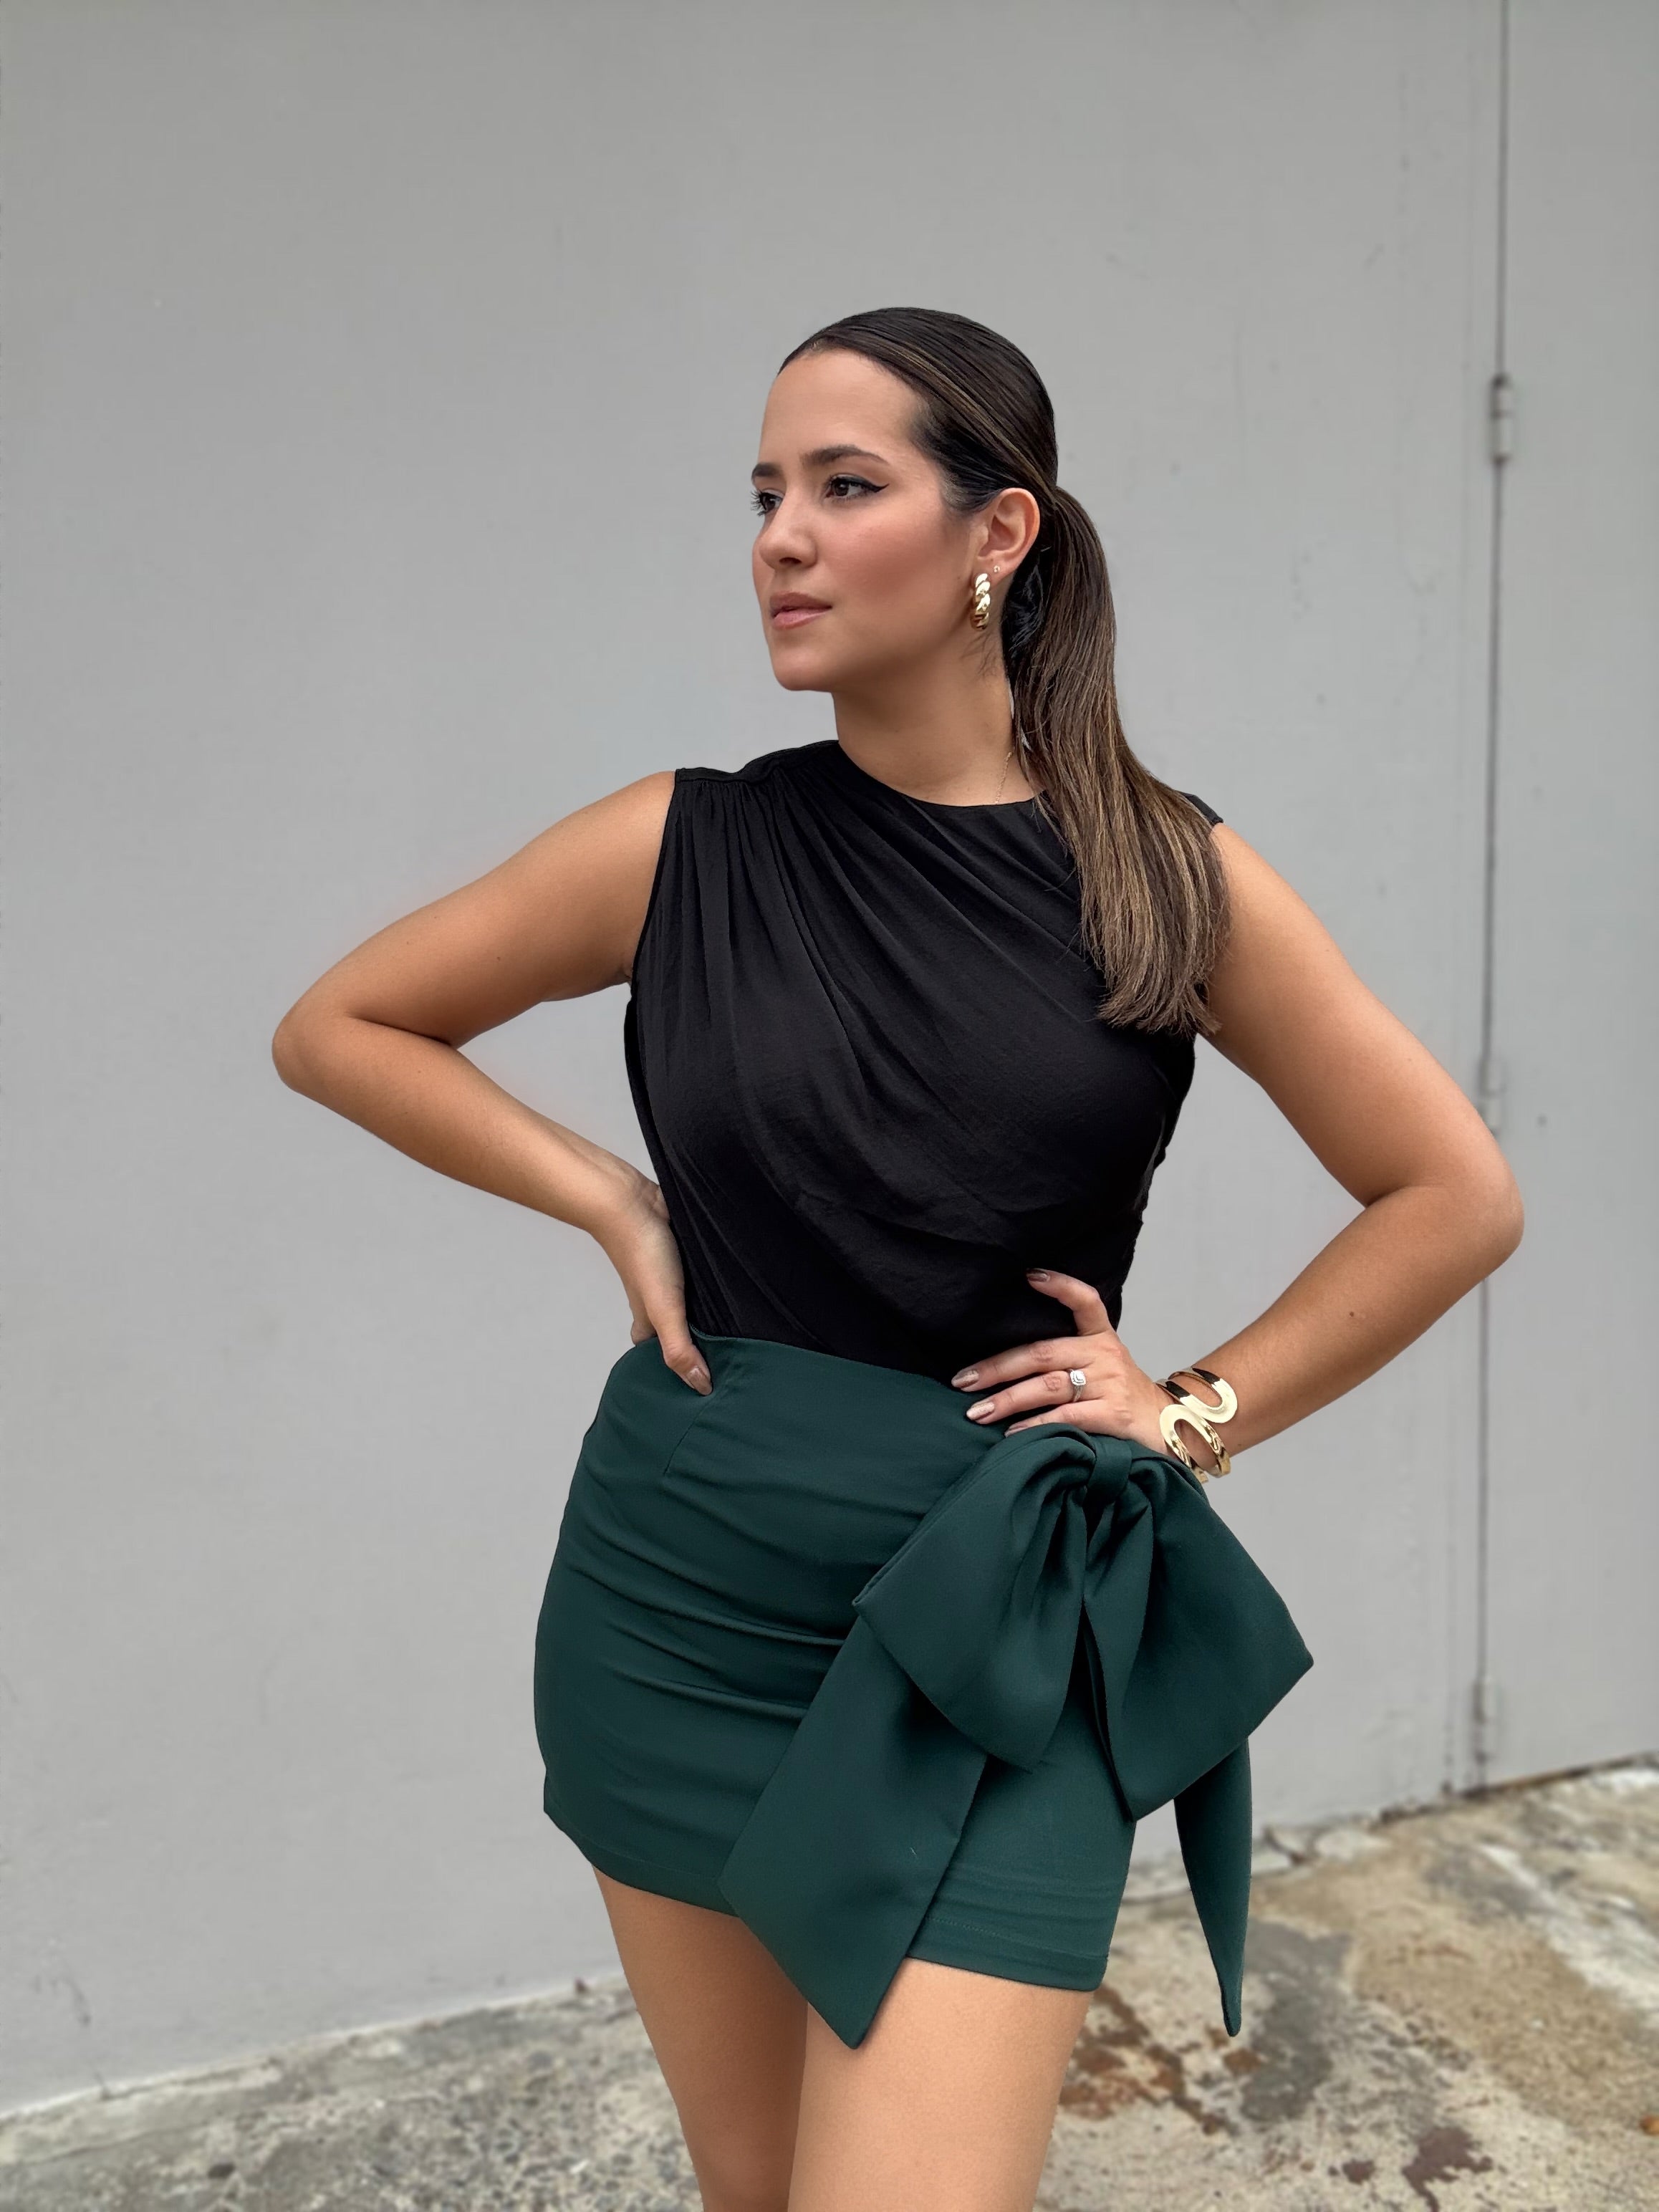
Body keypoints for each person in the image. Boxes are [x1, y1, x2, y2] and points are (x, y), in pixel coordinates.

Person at [271, 307, 1524, 2212]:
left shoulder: (1165, 875)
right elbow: (341, 1025)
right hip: (680, 1599)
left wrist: (1192, 1410)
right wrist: (613, 1198)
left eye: (844, 487)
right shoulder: (684, 844)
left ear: (996, 533)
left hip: (992, 1629)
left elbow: (1450, 1192)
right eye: (765, 492)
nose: (779, 536)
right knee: (762, 2193)